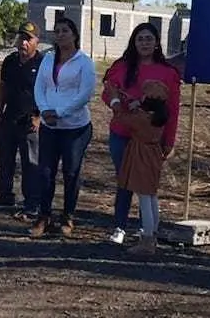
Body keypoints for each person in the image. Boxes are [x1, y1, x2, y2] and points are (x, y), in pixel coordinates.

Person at [101, 23, 181, 244]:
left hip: (149, 139)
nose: (144, 43)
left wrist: (169, 140)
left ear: (156, 42)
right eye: (140, 39)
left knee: (146, 184)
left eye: (149, 38)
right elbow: (108, 91)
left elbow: (173, 109)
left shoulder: (168, 72)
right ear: (134, 42)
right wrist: (116, 102)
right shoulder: (122, 66)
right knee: (124, 180)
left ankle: (149, 229)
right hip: (122, 133)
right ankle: (120, 225)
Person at [31, 16, 95, 238]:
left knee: (71, 172)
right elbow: (39, 87)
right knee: (46, 172)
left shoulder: (84, 62)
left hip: (75, 128)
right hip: (50, 126)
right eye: (57, 31)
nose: (60, 35)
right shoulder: (48, 59)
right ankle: (44, 216)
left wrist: (59, 113)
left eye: (65, 31)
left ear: (75, 35)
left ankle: (67, 217)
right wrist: (44, 110)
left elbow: (85, 94)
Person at [108, 79, 173, 256]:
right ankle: (154, 233)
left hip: (140, 156)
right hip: (153, 156)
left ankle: (147, 239)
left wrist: (115, 100)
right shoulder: (157, 117)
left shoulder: (142, 118)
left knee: (144, 197)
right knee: (151, 195)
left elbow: (121, 117)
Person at [0, 21, 42, 214]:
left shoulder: (43, 63)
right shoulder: (10, 61)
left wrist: (39, 117)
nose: (23, 43)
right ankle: (5, 196)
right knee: (6, 160)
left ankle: (32, 203)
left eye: (28, 39)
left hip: (30, 121)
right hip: (8, 118)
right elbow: (2, 88)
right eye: (21, 38)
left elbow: (49, 93)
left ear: (37, 41)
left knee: (30, 164)